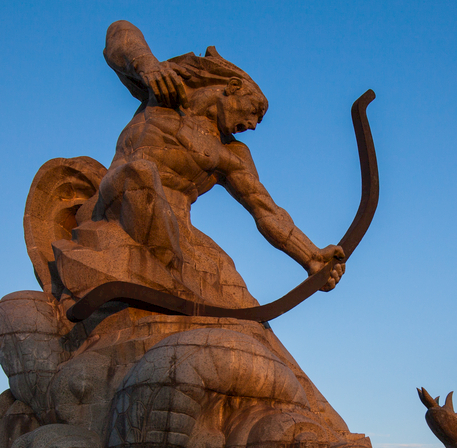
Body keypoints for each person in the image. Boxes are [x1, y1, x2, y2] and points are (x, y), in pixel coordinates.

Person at [50, 20, 345, 314]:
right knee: (141, 173)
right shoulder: (167, 92)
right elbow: (119, 32)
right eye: (253, 111)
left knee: (232, 287)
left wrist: (312, 257)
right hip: (118, 204)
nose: (253, 125)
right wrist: (148, 65)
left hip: (176, 232)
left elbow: (267, 211)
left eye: (258, 121)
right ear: (231, 88)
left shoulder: (233, 155)